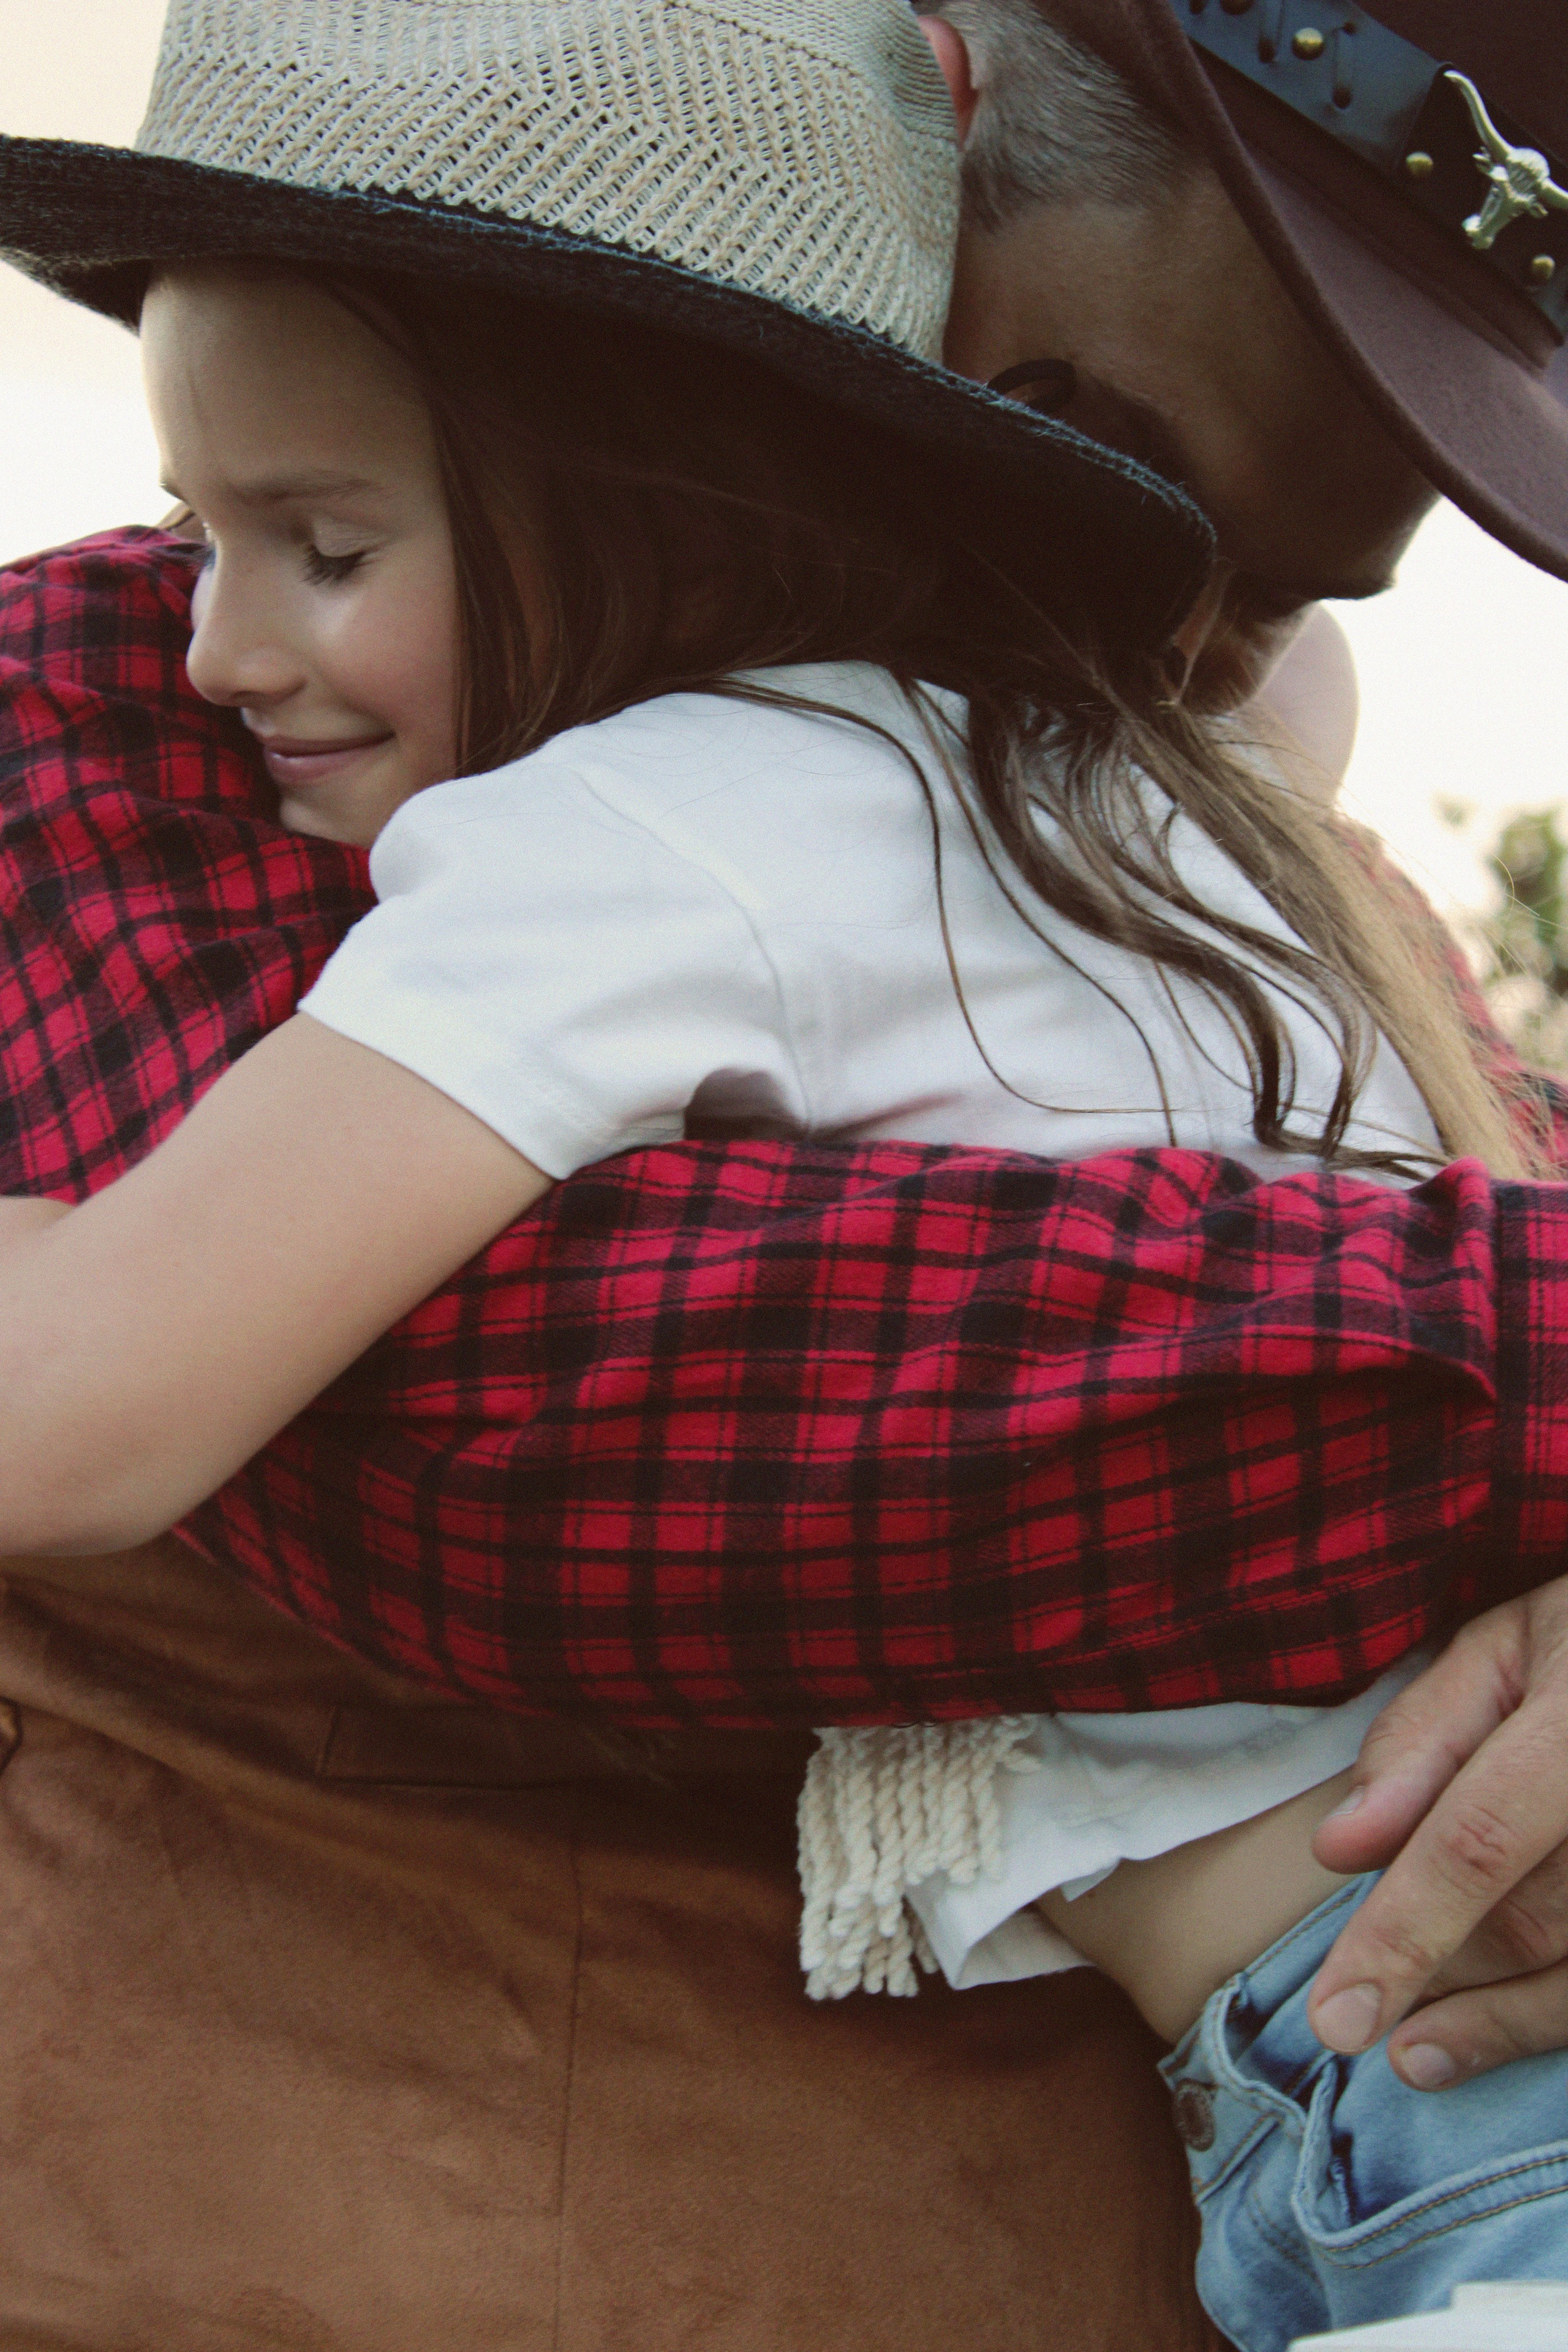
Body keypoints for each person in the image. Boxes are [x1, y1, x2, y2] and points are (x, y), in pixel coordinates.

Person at [0, 2, 1562, 2341]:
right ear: (935, 138)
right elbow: (501, 1438)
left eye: (1270, 586)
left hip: (1409, 2107)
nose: (1174, 631)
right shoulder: (154, 724)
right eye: (1091, 461)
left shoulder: (802, 808)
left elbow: (85, 1398)